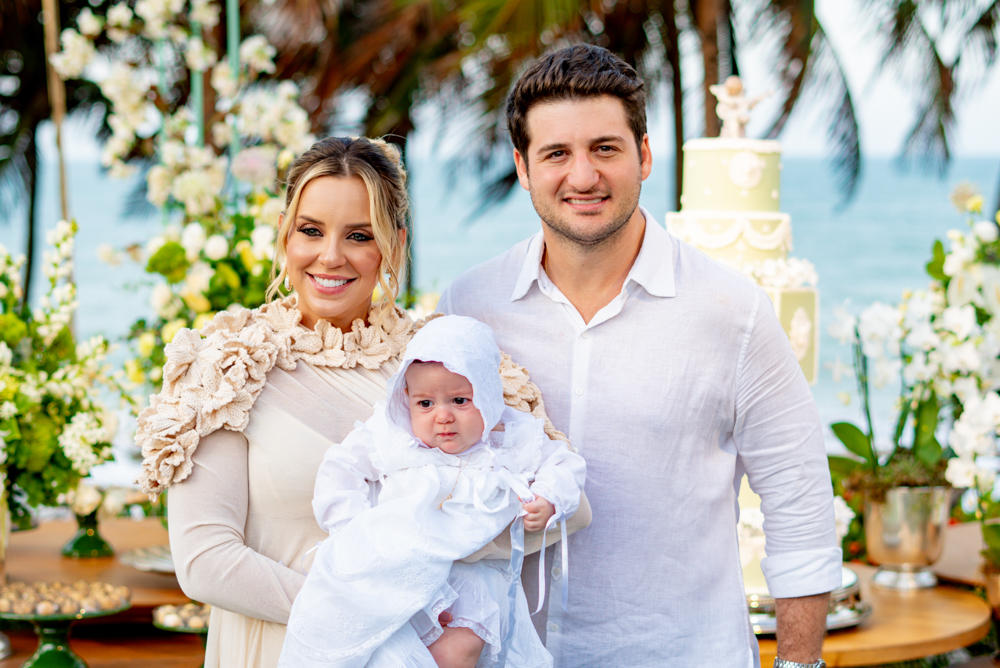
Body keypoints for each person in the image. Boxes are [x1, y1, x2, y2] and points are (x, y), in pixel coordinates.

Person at [439, 44, 841, 668]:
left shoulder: (733, 312)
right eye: (556, 154)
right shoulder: (470, 307)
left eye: (605, 148)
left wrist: (798, 665)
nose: (583, 176)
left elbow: (799, 503)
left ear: (644, 155)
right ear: (522, 168)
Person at [135, 136, 587, 668]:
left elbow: (570, 512)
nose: (331, 255)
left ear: (392, 246)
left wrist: (426, 576)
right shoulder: (229, 368)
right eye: (311, 231)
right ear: (285, 236)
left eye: (358, 235)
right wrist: (372, 621)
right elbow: (206, 561)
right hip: (282, 647)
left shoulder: (443, 363)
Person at [278, 315, 585, 668]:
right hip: (394, 568)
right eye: (426, 404)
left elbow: (564, 463)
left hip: (469, 579)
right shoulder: (394, 437)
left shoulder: (510, 440)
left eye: (459, 400)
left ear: (486, 393)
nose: (443, 416)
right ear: (406, 399)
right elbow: (340, 470)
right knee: (372, 648)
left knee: (458, 650)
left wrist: (547, 498)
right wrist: (356, 533)